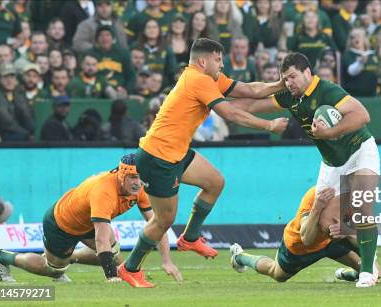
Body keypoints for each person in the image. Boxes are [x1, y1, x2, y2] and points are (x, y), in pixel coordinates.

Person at [117, 38, 289, 288]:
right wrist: (270, 125)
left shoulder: (210, 78)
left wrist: (280, 84)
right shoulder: (197, 79)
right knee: (163, 221)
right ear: (202, 61)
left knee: (215, 182)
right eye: (218, 60)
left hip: (175, 152)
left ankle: (190, 237)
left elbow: (251, 90)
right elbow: (229, 114)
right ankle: (129, 268)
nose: (222, 64)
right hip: (157, 157)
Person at [230, 52, 381, 287]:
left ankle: (366, 272)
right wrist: (215, 101)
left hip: (360, 150)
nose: (289, 83)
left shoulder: (327, 90)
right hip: (332, 164)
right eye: (285, 79)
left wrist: (328, 133)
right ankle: (360, 263)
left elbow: (363, 115)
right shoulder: (289, 97)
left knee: (362, 204)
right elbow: (248, 104)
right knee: (322, 225)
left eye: (292, 77)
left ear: (308, 72)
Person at [0, 154, 181, 283]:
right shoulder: (104, 191)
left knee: (114, 255)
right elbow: (101, 239)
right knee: (54, 270)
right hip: (62, 223)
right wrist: (112, 276)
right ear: (121, 175)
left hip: (87, 219)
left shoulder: (140, 189)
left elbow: (158, 224)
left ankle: (69, 256)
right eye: (132, 177)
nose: (136, 182)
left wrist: (166, 260)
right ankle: (2, 256)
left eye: (139, 177)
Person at [230, 186, 381, 283]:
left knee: (376, 273)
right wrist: (318, 208)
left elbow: (366, 239)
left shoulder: (355, 200)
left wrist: (347, 233)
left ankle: (345, 274)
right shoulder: (315, 195)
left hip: (331, 241)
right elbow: (307, 238)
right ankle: (239, 257)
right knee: (277, 274)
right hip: (299, 246)